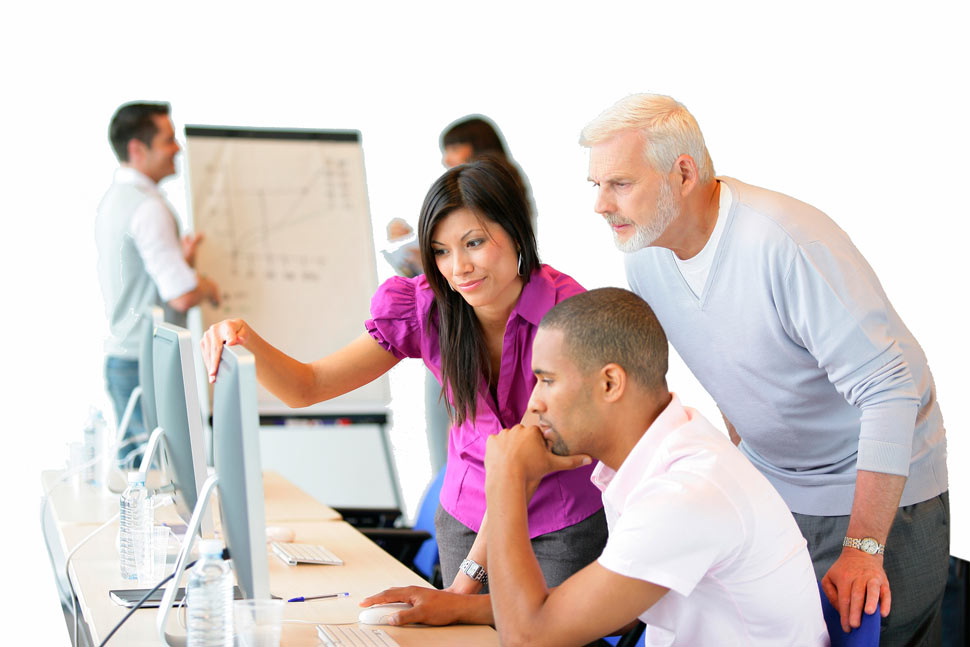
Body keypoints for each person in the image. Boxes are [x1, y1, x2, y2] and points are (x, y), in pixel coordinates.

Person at [580, 93, 949, 646]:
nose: (600, 205)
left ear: (684, 173)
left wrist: (864, 548)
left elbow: (890, 390)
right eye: (595, 185)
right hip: (777, 490)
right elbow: (730, 370)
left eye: (620, 184)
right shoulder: (644, 255)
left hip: (879, 497)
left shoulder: (784, 242)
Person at [201, 158, 607, 593]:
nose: (458, 268)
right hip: (466, 516)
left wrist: (460, 591)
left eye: (473, 243)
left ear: (516, 232)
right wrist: (244, 339)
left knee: (534, 627)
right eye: (441, 251)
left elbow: (522, 463)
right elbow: (308, 386)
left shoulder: (566, 317)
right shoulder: (427, 307)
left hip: (558, 522)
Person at [363, 288, 827, 647]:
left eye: (546, 381)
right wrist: (456, 607)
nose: (533, 403)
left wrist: (506, 477)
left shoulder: (685, 492)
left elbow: (530, 637)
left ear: (610, 383)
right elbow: (619, 609)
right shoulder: (664, 447)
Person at [96, 101, 220, 464]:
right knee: (157, 477)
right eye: (168, 140)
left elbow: (146, 280)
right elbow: (181, 295)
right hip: (145, 364)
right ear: (138, 149)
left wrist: (182, 264)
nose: (177, 148)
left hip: (128, 359)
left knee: (144, 475)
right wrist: (207, 286)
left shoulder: (115, 200)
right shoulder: (148, 208)